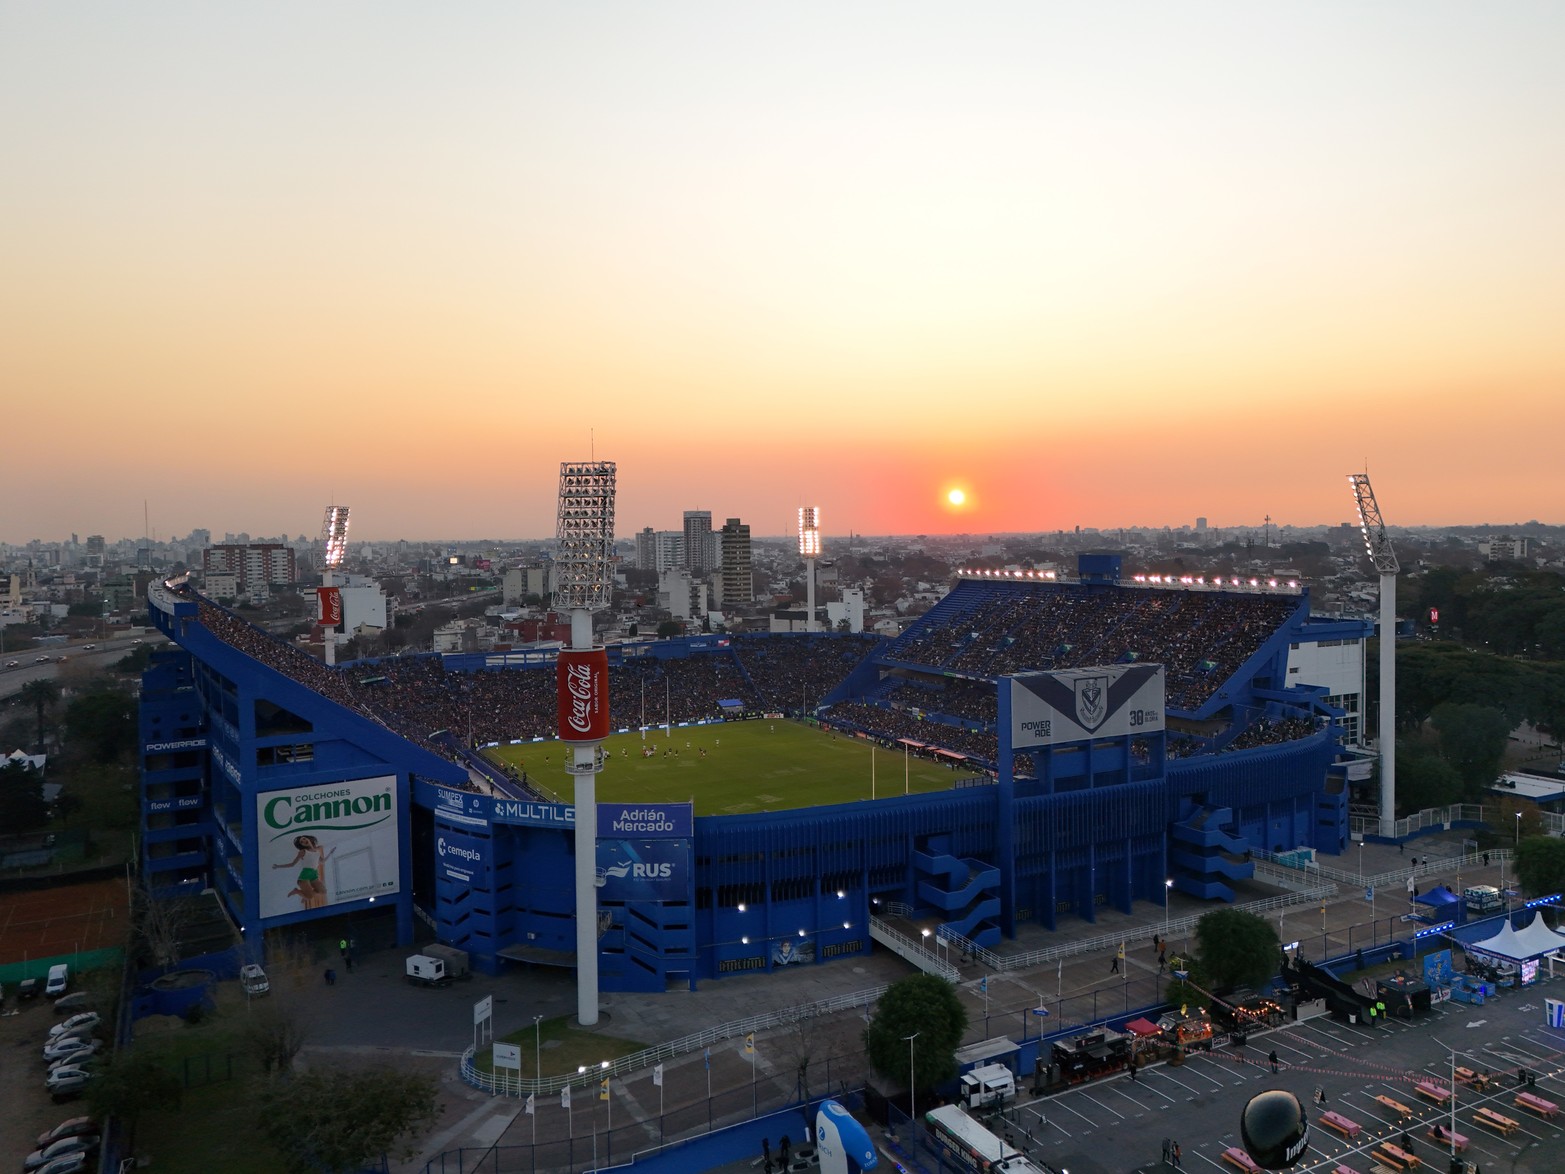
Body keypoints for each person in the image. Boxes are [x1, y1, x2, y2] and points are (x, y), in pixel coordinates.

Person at [275, 834, 334, 910]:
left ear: (309, 839)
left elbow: (323, 861)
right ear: (302, 845)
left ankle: (305, 896)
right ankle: (296, 891)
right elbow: (292, 864)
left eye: (304, 839)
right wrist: (278, 866)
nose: (304, 841)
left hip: (314, 874)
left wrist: (330, 853)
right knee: (310, 897)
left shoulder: (317, 851)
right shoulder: (303, 851)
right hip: (305, 875)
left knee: (323, 891)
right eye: (301, 842)